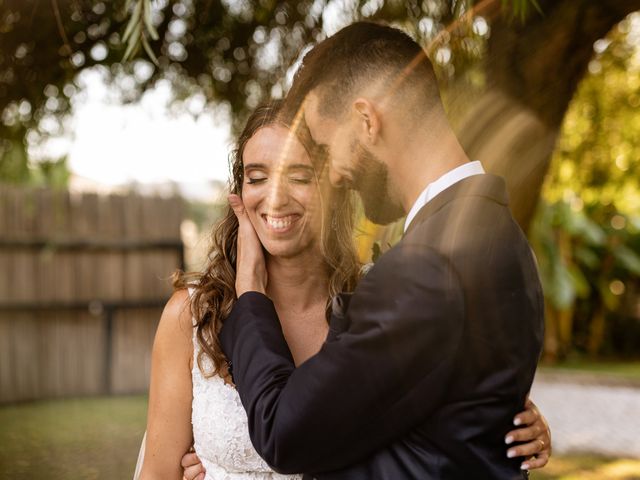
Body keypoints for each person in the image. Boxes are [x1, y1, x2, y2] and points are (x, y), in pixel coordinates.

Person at [136, 102, 550, 480]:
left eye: (299, 176)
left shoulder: (385, 299)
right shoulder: (194, 315)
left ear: (334, 187)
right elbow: (157, 471)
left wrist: (517, 425)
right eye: (257, 177)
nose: (275, 196)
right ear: (239, 192)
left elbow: (452, 415)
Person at [217, 21, 548, 479]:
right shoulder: (503, 236)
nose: (334, 177)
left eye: (329, 150)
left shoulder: (426, 265)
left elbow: (283, 432)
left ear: (367, 121)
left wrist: (250, 294)